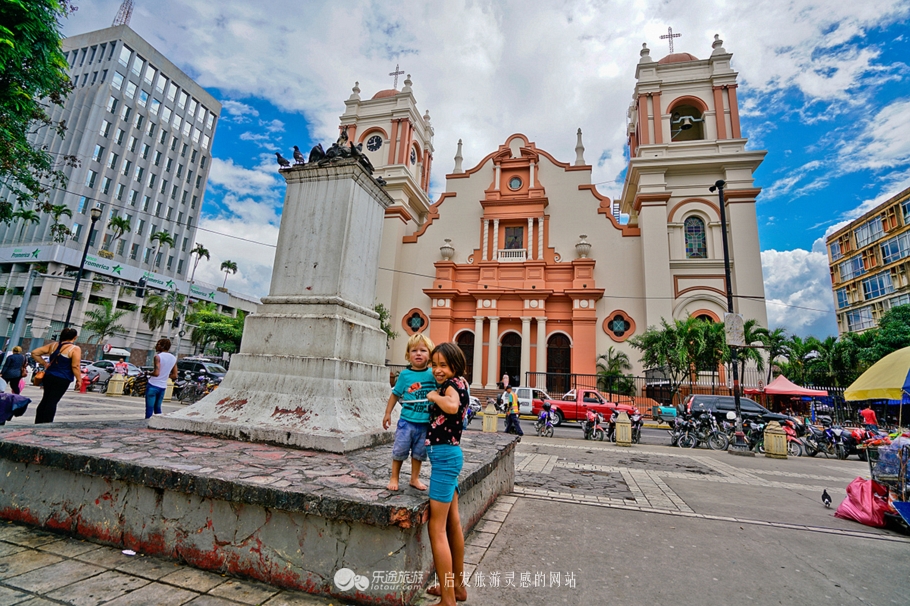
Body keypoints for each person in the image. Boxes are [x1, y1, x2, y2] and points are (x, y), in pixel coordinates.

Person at [424, 342, 469, 605]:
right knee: (452, 524)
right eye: (434, 364)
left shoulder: (451, 386)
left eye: (443, 364)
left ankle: (448, 599)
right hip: (450, 456)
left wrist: (434, 397)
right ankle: (457, 587)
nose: (437, 370)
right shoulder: (461, 382)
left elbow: (451, 407)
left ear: (455, 365)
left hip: (444, 459)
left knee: (436, 529)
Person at [382, 333, 435, 491]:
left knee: (419, 453)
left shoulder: (432, 374)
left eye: (423, 350)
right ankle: (394, 477)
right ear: (407, 355)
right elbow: (395, 395)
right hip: (407, 422)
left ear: (430, 354)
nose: (418, 353)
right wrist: (387, 413)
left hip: (425, 424)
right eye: (414, 350)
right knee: (400, 450)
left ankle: (414, 478)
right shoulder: (404, 375)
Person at [31, 328, 82, 423]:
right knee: (53, 401)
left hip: (49, 376)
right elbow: (75, 365)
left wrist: (44, 363)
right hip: (63, 378)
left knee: (45, 399)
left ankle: (38, 421)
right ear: (75, 337)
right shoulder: (75, 349)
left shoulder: (53, 345)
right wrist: (79, 379)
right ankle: (46, 422)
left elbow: (34, 353)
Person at [146, 338, 178, 419]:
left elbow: (156, 373)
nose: (156, 346)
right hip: (163, 387)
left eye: (157, 344)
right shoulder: (173, 358)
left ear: (162, 346)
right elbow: (175, 375)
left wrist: (148, 373)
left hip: (153, 385)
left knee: (149, 409)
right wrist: (165, 375)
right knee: (158, 409)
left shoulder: (158, 357)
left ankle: (147, 426)